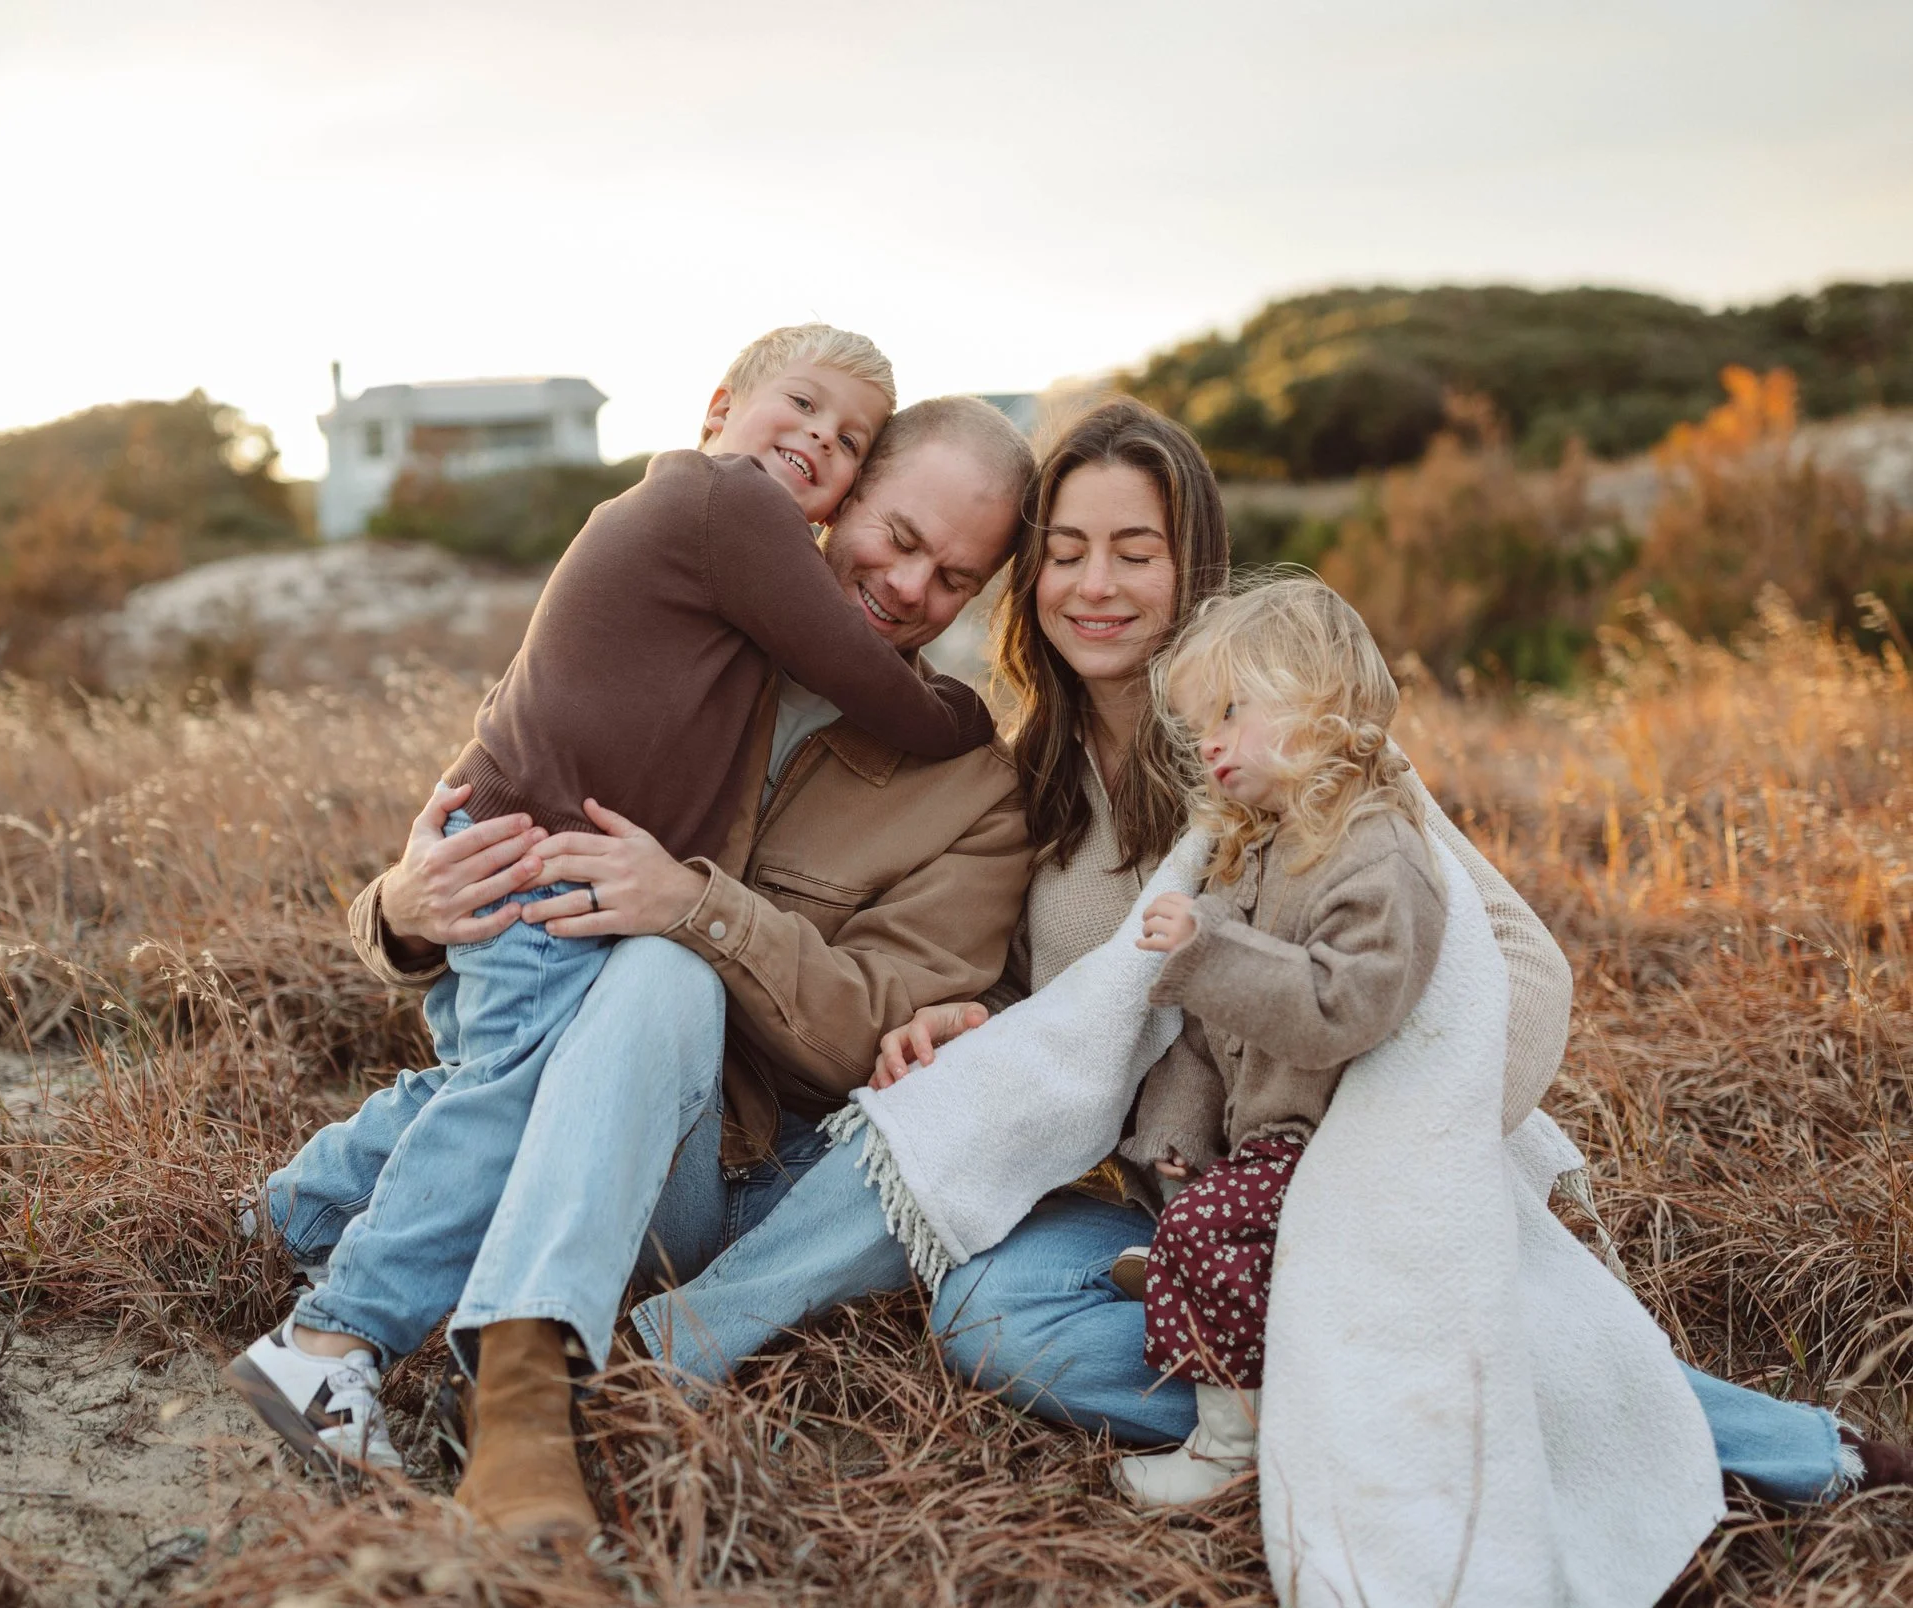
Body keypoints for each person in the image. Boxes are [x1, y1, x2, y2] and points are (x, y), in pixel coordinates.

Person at [630, 396, 1909, 1504]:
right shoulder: (1040, 781)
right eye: (1065, 552)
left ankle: (1756, 1441)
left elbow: (1517, 962)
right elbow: (1071, 1026)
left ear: (1193, 569)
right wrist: (972, 1020)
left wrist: (1381, 1170)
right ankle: (1340, 1409)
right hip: (1140, 1205)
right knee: (992, 1318)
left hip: (1325, 1171)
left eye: (1136, 551)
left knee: (1381, 1310)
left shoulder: (1297, 747)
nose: (1095, 585)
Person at [235, 380, 1028, 1538]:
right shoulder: (682, 623)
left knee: (667, 969)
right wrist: (399, 909)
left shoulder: (971, 785)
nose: (912, 587)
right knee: (572, 1018)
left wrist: (694, 908)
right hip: (566, 1084)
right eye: (898, 538)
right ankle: (473, 1360)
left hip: (727, 1159)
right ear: (838, 499)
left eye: (955, 577)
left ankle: (552, 1365)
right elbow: (493, 811)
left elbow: (881, 1024)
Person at [1109, 577, 1447, 1504]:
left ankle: (1232, 1446)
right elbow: (1206, 1036)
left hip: (1345, 1149)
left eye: (1229, 709)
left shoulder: (1375, 850)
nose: (1208, 740)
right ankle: (1192, 1282)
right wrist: (1178, 1132)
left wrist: (1209, 948)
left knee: (1210, 1227)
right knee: (1197, 1215)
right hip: (1269, 1143)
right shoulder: (1254, 849)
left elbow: (1350, 1006)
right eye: (1196, 724)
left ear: (1317, 700)